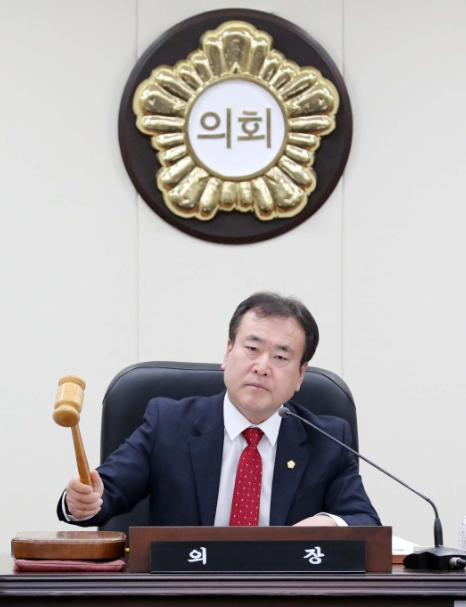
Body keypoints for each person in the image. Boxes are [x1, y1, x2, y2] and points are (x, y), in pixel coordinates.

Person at [58, 292, 380, 527]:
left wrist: (330, 524)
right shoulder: (168, 424)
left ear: (300, 375)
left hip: (283, 590)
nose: (262, 366)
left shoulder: (327, 440)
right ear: (228, 353)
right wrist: (80, 501)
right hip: (186, 588)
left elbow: (365, 521)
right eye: (251, 348)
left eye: (281, 357)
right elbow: (105, 491)